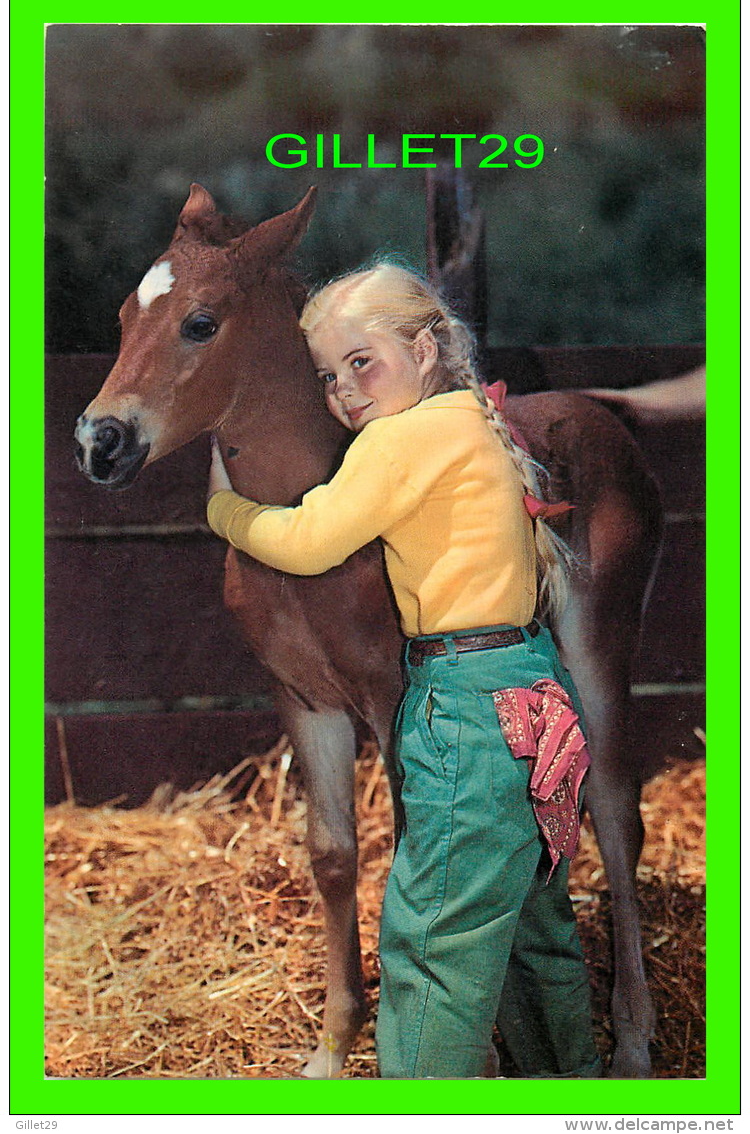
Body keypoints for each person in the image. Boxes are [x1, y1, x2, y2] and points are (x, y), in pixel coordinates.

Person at [206, 261, 600, 1080]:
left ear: (425, 350)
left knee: (432, 942)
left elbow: (314, 538)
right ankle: (565, 1091)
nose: (345, 391)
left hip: (466, 706)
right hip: (532, 692)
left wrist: (225, 509)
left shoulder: (400, 437)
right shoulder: (470, 421)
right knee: (532, 929)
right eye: (326, 376)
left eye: (362, 362)